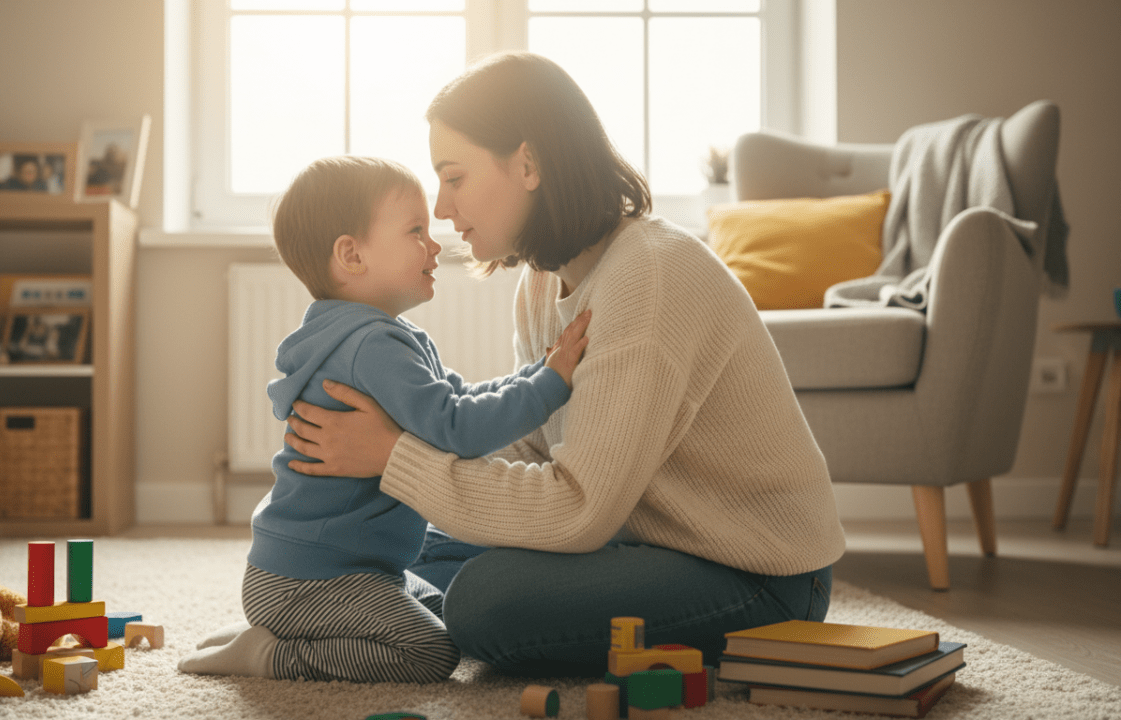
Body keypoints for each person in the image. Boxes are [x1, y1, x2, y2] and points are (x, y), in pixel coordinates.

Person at [279, 52, 847, 677]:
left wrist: (393, 456)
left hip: (756, 573)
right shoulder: (544, 283)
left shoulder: (649, 276)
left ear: (528, 164)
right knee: (406, 548)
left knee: (482, 602)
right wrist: (394, 453)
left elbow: (579, 509)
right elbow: (535, 448)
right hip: (635, 537)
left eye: (455, 177)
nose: (441, 210)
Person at [177, 155, 592, 683]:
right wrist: (550, 386)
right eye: (416, 231)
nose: (436, 244)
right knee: (432, 654)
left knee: (447, 612)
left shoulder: (365, 334)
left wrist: (536, 372)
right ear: (351, 255)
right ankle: (273, 655)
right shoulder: (373, 345)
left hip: (329, 571)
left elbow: (456, 398)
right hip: (313, 580)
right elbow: (458, 427)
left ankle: (275, 628)